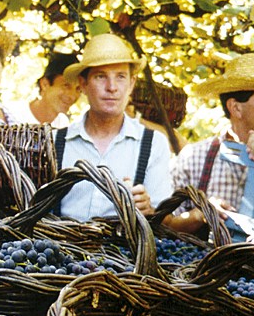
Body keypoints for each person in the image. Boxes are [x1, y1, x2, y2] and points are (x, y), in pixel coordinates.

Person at [165, 52, 254, 234]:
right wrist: (200, 214)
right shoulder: (194, 158)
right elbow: (166, 225)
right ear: (236, 108)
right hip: (209, 261)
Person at [55, 33, 173, 221]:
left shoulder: (153, 144)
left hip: (126, 249)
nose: (112, 87)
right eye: (101, 77)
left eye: (120, 77)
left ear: (131, 84)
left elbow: (165, 219)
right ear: (83, 85)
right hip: (60, 246)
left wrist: (148, 209)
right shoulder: (55, 142)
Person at [19, 52, 80, 128]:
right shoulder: (13, 116)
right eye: (66, 86)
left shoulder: (63, 125)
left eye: (78, 89)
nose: (72, 96)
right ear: (45, 84)